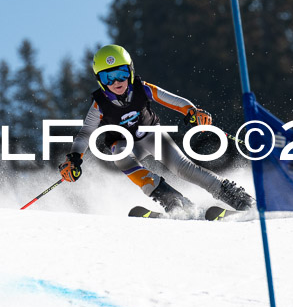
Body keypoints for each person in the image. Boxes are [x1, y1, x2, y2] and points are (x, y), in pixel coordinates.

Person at [58, 44, 254, 213]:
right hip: (125, 145)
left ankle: (236, 196)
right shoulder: (99, 105)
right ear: (100, 80)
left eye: (121, 74)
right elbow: (85, 133)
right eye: (108, 77)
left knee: (182, 168)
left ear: (131, 72)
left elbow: (174, 101)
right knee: (119, 154)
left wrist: (193, 112)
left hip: (151, 135)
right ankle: (173, 201)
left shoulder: (142, 88)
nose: (116, 82)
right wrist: (74, 159)